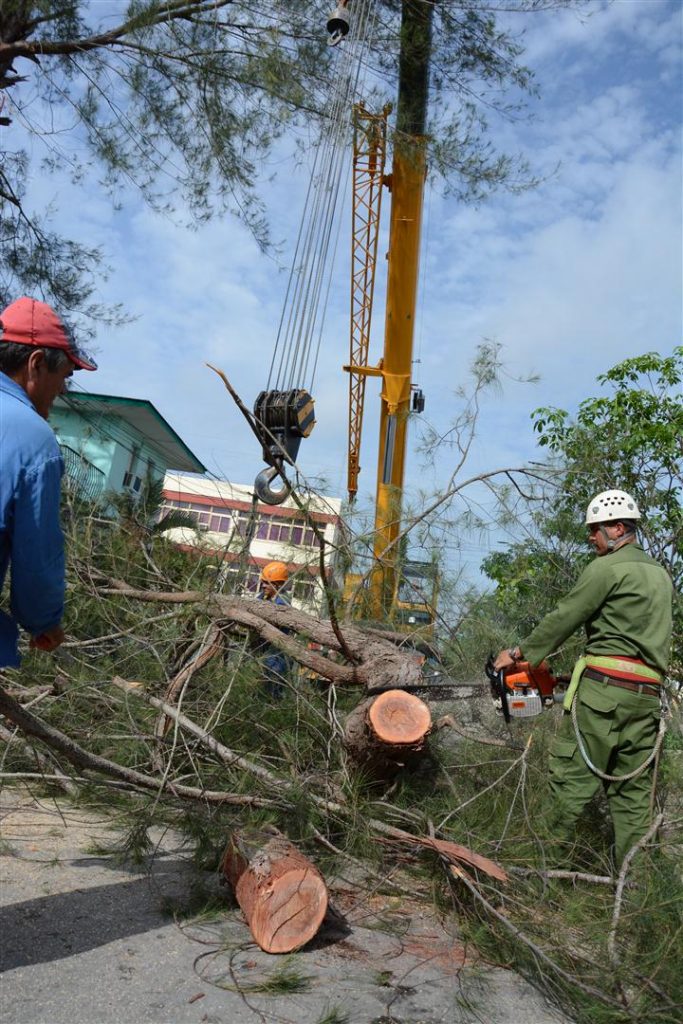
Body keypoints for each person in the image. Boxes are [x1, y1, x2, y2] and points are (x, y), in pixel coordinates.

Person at [494, 489, 673, 867]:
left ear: (618, 528)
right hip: (646, 702)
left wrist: (517, 654)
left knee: (570, 785)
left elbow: (565, 616)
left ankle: (539, 878)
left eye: (595, 530)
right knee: (633, 801)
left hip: (602, 698)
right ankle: (635, 894)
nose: (591, 537)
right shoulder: (661, 576)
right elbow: (631, 646)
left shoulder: (606, 568)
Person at [0, 296, 97, 668]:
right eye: (65, 378)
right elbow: (36, 555)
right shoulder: (32, 438)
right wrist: (43, 621)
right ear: (36, 364)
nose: (62, 392)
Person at [256, 561, 292, 699]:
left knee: (270, 696)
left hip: (275, 658)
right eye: (263, 581)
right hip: (262, 653)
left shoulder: (283, 603)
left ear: (277, 585)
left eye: (267, 583)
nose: (263, 585)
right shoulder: (264, 597)